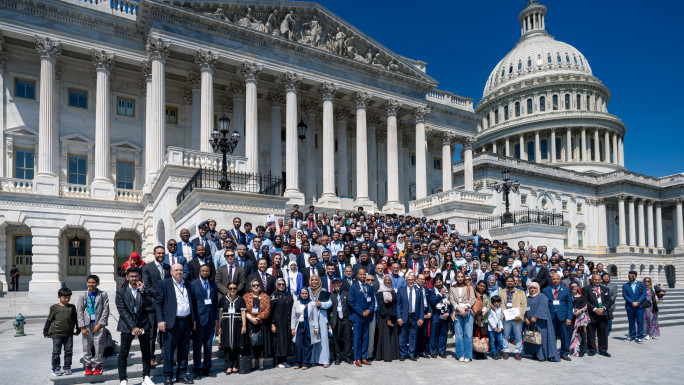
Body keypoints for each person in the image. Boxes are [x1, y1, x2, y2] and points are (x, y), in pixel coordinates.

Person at [156, 264, 195, 385]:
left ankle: (182, 375)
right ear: (171, 272)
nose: (179, 272)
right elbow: (158, 303)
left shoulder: (187, 284)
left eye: (181, 270)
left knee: (184, 350)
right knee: (169, 351)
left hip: (186, 321)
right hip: (171, 322)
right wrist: (160, 320)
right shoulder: (164, 283)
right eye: (176, 270)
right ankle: (168, 376)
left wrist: (193, 320)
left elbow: (192, 302)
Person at [115, 267, 155, 385]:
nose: (134, 278)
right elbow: (122, 311)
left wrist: (142, 291)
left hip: (143, 324)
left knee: (146, 352)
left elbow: (149, 305)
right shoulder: (121, 292)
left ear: (140, 277)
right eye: (131, 276)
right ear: (127, 277)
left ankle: (146, 376)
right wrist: (133, 326)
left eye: (136, 276)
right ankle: (123, 379)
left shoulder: (144, 290)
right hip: (127, 326)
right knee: (123, 352)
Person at [142, 245, 171, 368]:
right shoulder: (147, 268)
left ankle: (165, 358)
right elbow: (147, 286)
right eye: (158, 253)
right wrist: (160, 295)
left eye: (163, 253)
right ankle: (150, 358)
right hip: (152, 306)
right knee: (151, 334)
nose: (161, 255)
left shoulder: (168, 267)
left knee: (165, 333)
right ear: (154, 254)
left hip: (166, 306)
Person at [76, 274, 110, 376]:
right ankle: (88, 365)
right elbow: (79, 311)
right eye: (89, 282)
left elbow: (106, 310)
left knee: (98, 344)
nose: (91, 284)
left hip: (99, 323)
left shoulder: (103, 294)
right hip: (86, 324)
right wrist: (82, 327)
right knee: (86, 345)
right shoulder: (83, 295)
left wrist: (100, 324)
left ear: (97, 283)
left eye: (93, 282)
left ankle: (98, 365)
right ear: (87, 283)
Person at [190, 265, 219, 379]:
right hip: (198, 320)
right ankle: (197, 370)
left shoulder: (213, 284)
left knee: (208, 346)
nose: (205, 272)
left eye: (207, 271)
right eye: (203, 271)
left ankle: (207, 368)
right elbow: (192, 304)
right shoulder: (193, 284)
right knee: (197, 347)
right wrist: (193, 320)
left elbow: (215, 303)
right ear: (199, 271)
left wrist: (216, 319)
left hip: (210, 319)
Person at [43, 287, 79, 377]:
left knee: (68, 351)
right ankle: (56, 368)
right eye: (64, 297)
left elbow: (75, 319)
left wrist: (78, 329)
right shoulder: (54, 307)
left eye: (68, 297)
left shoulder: (72, 307)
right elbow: (49, 319)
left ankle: (67, 367)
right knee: (56, 352)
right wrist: (45, 330)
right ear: (59, 297)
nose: (67, 299)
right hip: (57, 333)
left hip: (69, 333)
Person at [523, 282, 560, 362]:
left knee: (541, 338)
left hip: (540, 322)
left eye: (534, 288)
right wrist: (525, 318)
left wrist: (536, 316)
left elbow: (543, 307)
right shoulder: (528, 298)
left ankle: (542, 355)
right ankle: (535, 353)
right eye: (531, 288)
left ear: (538, 289)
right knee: (533, 338)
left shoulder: (542, 296)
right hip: (530, 322)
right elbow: (525, 309)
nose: (532, 290)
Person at [542, 273, 573, 361]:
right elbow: (544, 304)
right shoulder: (545, 290)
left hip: (563, 316)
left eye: (557, 279)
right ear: (551, 280)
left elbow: (570, 304)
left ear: (560, 280)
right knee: (552, 335)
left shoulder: (566, 290)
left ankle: (564, 353)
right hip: (550, 316)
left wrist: (569, 317)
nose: (555, 281)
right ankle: (552, 353)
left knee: (564, 335)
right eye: (554, 279)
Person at [348, 268, 376, 366]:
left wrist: (369, 310)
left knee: (365, 338)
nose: (363, 276)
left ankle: (364, 357)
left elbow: (373, 301)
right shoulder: (353, 287)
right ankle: (357, 358)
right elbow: (351, 301)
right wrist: (361, 312)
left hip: (367, 317)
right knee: (357, 338)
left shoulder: (369, 287)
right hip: (357, 317)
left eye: (364, 274)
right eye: (361, 274)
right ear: (357, 275)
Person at [244, 277, 271, 371]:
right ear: (250, 287)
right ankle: (252, 363)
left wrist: (258, 318)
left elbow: (267, 310)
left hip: (262, 323)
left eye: (257, 285)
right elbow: (244, 310)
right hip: (250, 323)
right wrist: (251, 319)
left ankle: (261, 364)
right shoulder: (246, 296)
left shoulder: (265, 296)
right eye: (254, 285)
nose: (256, 287)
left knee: (261, 343)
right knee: (251, 343)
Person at [218, 282, 246, 375]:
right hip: (226, 325)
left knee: (237, 345)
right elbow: (220, 314)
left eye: (234, 288)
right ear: (227, 289)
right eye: (230, 288)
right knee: (227, 346)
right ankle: (228, 366)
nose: (232, 290)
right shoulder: (223, 299)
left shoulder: (240, 299)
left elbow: (243, 313)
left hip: (237, 325)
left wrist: (244, 325)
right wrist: (219, 327)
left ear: (237, 289)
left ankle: (235, 365)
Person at [449, 271, 476, 362]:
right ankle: (460, 354)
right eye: (458, 277)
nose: (460, 278)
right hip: (457, 312)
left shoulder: (469, 286)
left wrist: (466, 307)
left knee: (468, 334)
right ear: (456, 278)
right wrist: (459, 309)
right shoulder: (452, 287)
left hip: (467, 311)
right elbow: (451, 299)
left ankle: (468, 355)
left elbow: (472, 298)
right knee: (458, 334)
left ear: (464, 277)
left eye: (461, 276)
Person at [583, 274, 612, 357]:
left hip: (603, 314)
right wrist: (595, 309)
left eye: (599, 279)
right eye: (595, 279)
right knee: (591, 333)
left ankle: (603, 350)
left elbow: (609, 301)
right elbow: (585, 301)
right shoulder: (586, 289)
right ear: (592, 280)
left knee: (603, 333)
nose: (597, 281)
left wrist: (603, 308)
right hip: (591, 314)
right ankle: (592, 350)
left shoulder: (605, 289)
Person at [498, 275, 526, 360]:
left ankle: (517, 352)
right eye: (508, 281)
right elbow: (499, 304)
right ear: (505, 282)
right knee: (505, 335)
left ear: (514, 282)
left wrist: (520, 316)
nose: (510, 282)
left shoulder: (521, 292)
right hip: (506, 318)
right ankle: (506, 351)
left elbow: (524, 305)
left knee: (518, 336)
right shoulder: (501, 292)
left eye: (511, 281)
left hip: (517, 318)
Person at [397, 272, 424, 361]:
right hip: (404, 316)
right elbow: (398, 305)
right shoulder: (401, 290)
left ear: (415, 280)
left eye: (412, 280)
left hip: (414, 317)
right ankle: (403, 354)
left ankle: (411, 353)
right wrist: (399, 317)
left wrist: (421, 318)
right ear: (406, 281)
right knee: (403, 335)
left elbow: (421, 306)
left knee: (413, 336)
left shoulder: (419, 291)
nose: (410, 281)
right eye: (409, 280)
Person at [291, 287, 319, 370]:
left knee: (308, 345)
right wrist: (292, 328)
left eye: (305, 293)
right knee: (298, 345)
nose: (304, 295)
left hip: (309, 326)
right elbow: (293, 316)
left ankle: (306, 363)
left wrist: (316, 328)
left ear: (308, 294)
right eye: (302, 293)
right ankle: (298, 362)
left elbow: (315, 317)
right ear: (300, 294)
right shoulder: (296, 303)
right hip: (299, 325)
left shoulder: (312, 303)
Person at [308, 274, 332, 367]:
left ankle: (325, 360)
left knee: (324, 338)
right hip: (311, 317)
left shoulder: (323, 290)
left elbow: (329, 303)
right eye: (312, 280)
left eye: (316, 280)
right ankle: (314, 359)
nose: (314, 282)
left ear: (319, 281)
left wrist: (321, 304)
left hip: (321, 315)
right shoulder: (307, 290)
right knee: (313, 338)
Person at [270, 278, 294, 368]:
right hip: (278, 323)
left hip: (287, 322)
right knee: (278, 342)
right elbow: (271, 312)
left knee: (286, 341)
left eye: (283, 284)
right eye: (279, 284)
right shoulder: (273, 296)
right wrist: (272, 324)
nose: (281, 286)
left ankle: (284, 360)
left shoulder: (288, 295)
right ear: (276, 285)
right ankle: (277, 361)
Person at [375, 275, 399, 362]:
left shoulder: (393, 291)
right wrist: (387, 318)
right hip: (384, 316)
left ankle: (393, 355)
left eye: (389, 280)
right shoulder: (380, 292)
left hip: (393, 316)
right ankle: (386, 356)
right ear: (383, 281)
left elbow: (395, 304)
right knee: (385, 336)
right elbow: (381, 306)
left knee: (392, 336)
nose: (388, 281)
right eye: (386, 280)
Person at [330, 278, 353, 365]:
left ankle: (347, 356)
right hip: (336, 320)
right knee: (336, 339)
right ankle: (338, 357)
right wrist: (329, 323)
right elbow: (329, 310)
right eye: (334, 284)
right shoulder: (331, 295)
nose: (336, 285)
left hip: (346, 319)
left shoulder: (346, 294)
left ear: (341, 284)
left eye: (338, 283)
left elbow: (351, 307)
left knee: (347, 339)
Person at [622, 270, 647, 343]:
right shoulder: (625, 285)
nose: (631, 277)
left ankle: (640, 337)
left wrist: (638, 302)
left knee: (640, 322)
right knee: (631, 322)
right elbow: (625, 295)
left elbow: (644, 294)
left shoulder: (641, 284)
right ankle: (632, 336)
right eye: (629, 276)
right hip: (630, 306)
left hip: (639, 306)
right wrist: (632, 302)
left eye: (632, 276)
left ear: (635, 276)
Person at [429, 276, 450, 358]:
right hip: (436, 314)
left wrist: (448, 313)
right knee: (434, 334)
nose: (438, 284)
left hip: (444, 314)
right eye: (436, 282)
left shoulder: (447, 291)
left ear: (442, 282)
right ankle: (433, 351)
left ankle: (442, 351)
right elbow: (433, 302)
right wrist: (440, 293)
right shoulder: (432, 291)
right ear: (434, 283)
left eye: (439, 282)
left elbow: (449, 304)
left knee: (443, 334)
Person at [569, 282, 588, 357]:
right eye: (572, 287)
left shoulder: (582, 297)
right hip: (570, 318)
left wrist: (580, 311)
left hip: (581, 319)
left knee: (582, 334)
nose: (574, 288)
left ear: (578, 288)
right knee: (570, 334)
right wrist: (572, 312)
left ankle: (581, 351)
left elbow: (585, 307)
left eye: (575, 287)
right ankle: (571, 349)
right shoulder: (568, 297)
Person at [472, 280, 490, 360]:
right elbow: (472, 305)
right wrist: (477, 315)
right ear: (477, 285)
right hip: (475, 318)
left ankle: (482, 352)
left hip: (484, 319)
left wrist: (483, 314)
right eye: (480, 285)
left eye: (483, 286)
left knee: (484, 334)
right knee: (476, 335)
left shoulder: (487, 295)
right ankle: (476, 352)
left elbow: (489, 305)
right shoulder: (474, 294)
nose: (482, 287)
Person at [487, 295, 504, 359]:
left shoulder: (501, 308)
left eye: (498, 302)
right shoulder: (490, 309)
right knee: (492, 340)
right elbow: (489, 318)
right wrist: (494, 327)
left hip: (499, 327)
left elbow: (501, 319)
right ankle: (494, 352)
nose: (496, 303)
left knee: (500, 340)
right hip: (492, 328)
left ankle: (498, 351)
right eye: (494, 302)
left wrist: (501, 327)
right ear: (492, 302)